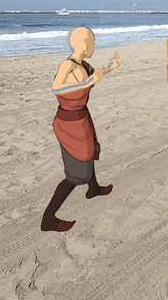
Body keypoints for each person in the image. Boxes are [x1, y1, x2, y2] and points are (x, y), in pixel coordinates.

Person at [41, 27, 120, 232]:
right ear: (84, 45)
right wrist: (87, 83)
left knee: (90, 152)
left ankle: (93, 189)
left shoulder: (85, 65)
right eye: (92, 43)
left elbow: (95, 75)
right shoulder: (67, 65)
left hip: (82, 117)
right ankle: (48, 219)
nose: (93, 47)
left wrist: (110, 68)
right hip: (69, 123)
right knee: (76, 174)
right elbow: (56, 87)